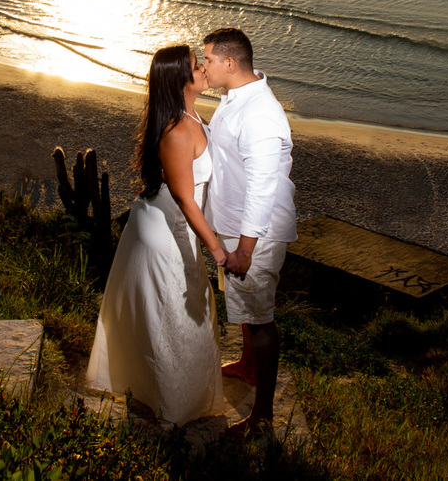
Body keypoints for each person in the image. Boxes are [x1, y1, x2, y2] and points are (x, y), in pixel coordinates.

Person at [85, 44, 228, 426]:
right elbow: (184, 196)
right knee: (172, 314)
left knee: (171, 312)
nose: (204, 71)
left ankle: (162, 394)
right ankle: (170, 405)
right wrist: (217, 248)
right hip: (167, 228)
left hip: (163, 220)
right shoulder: (178, 130)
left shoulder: (186, 114)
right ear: (182, 80)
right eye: (198, 67)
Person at [201, 27, 296, 436]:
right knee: (244, 309)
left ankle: (263, 418)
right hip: (233, 226)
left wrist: (245, 249)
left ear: (230, 63)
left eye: (207, 60)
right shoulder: (235, 97)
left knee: (260, 320)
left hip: (254, 234)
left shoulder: (259, 114)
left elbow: (263, 187)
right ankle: (248, 366)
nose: (203, 66)